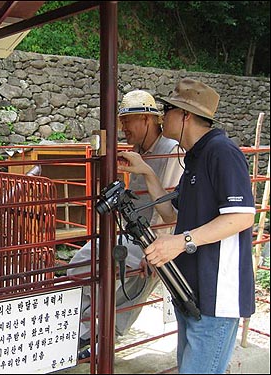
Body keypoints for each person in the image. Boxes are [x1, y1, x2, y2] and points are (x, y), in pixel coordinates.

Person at [119, 78, 255, 374]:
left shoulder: (222, 152)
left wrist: (180, 242)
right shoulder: (195, 157)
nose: (162, 115)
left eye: (167, 109)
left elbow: (242, 216)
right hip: (190, 290)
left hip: (216, 296)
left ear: (185, 116)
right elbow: (170, 213)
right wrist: (146, 171)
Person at [67, 90, 184, 351]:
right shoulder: (140, 151)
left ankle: (98, 334)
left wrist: (157, 249)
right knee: (81, 263)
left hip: (154, 238)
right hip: (133, 231)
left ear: (147, 120)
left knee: (125, 276)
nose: (123, 127)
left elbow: (171, 212)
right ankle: (86, 329)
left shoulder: (171, 152)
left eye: (128, 121)